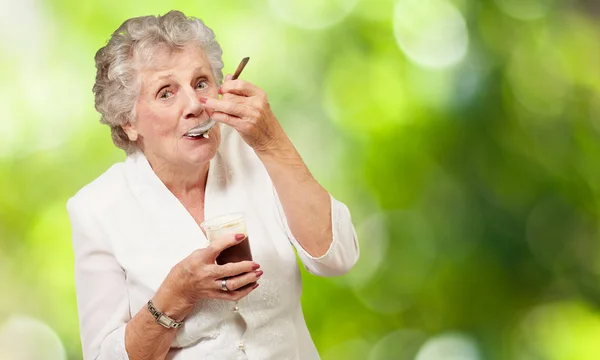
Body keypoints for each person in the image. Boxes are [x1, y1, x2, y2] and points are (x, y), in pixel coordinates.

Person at [67, 10, 359, 360]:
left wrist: (272, 142)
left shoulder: (258, 149)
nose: (194, 105)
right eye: (166, 93)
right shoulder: (96, 209)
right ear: (128, 121)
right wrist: (176, 295)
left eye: (201, 83)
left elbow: (337, 258)